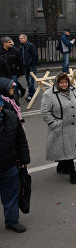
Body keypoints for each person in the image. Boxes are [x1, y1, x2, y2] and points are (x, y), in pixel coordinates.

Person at [40, 73, 76, 184]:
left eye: (66, 82)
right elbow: (45, 112)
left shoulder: (73, 90)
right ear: (57, 83)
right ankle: (72, 172)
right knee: (68, 150)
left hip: (75, 126)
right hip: (61, 128)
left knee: (69, 149)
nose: (64, 84)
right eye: (61, 82)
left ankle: (61, 166)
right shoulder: (49, 94)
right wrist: (54, 124)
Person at [0, 98, 30, 233]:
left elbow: (21, 140)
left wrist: (24, 159)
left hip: (9, 164)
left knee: (11, 194)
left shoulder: (12, 117)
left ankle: (12, 221)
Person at [0, 37, 25, 101]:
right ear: (4, 43)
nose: (11, 43)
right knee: (4, 88)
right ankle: (7, 101)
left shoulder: (15, 50)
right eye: (9, 42)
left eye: (11, 42)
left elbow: (20, 62)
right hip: (2, 73)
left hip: (13, 72)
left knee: (14, 87)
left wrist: (21, 72)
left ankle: (16, 101)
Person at [19, 34, 38, 102]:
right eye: (19, 38)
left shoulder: (30, 45)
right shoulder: (21, 46)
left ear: (25, 38)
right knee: (28, 81)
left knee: (30, 81)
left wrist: (32, 64)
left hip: (31, 66)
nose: (20, 39)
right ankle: (32, 92)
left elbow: (35, 55)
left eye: (21, 38)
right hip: (25, 66)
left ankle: (31, 95)